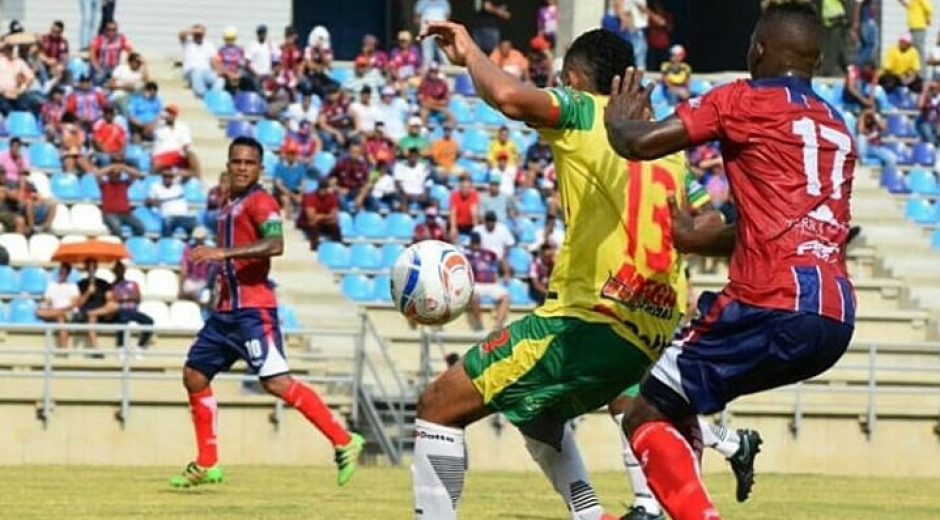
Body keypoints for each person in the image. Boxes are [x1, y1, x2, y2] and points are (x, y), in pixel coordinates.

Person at [412, 22, 690, 520]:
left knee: (438, 406)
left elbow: (507, 96)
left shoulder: (585, 111)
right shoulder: (666, 147)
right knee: (538, 412)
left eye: (564, 79)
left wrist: (469, 50)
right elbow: (703, 226)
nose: (560, 88)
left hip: (587, 321)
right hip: (649, 332)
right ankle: (591, 515)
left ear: (577, 82)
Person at [603, 3, 857, 519]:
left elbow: (639, 144)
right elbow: (785, 227)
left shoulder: (742, 100)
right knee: (675, 401)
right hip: (833, 319)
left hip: (770, 301)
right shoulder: (837, 128)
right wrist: (701, 241)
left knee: (644, 410)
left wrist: (618, 124)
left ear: (759, 49)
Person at [169, 136, 363, 488]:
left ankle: (344, 439)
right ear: (228, 165)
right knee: (194, 375)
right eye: (236, 161)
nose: (242, 167)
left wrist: (221, 254)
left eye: (249, 162)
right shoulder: (229, 204)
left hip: (253, 311)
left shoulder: (262, 202)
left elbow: (276, 244)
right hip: (225, 312)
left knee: (276, 382)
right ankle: (208, 463)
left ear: (260, 168)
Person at [110, 261, 153, 350]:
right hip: (120, 310)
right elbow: (113, 299)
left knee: (149, 321)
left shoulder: (133, 283)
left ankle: (141, 346)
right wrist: (127, 297)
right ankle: (121, 346)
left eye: (121, 269)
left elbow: (138, 297)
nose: (119, 271)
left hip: (133, 311)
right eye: (117, 269)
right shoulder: (112, 285)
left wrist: (124, 297)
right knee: (122, 320)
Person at [36, 263, 80, 351]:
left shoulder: (73, 286)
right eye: (61, 272)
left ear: (68, 274)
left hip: (67, 312)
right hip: (54, 312)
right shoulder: (51, 285)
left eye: (65, 272)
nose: (62, 274)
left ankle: (63, 350)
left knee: (60, 317)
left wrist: (59, 310)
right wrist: (44, 304)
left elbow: (73, 304)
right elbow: (47, 301)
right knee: (40, 311)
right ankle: (63, 350)